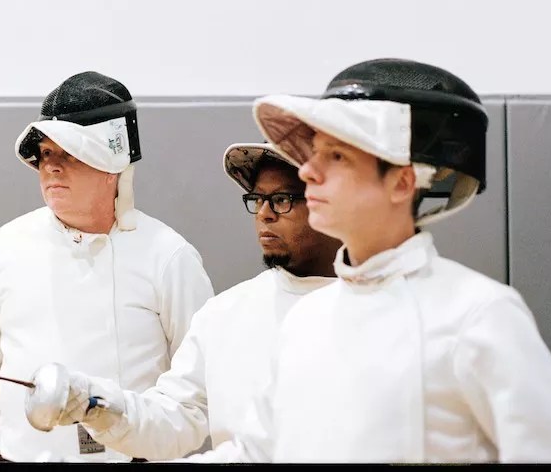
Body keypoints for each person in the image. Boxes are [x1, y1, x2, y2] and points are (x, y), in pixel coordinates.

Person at [245, 57, 551, 463]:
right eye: (314, 153)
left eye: (337, 156)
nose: (307, 171)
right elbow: (255, 452)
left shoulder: (478, 313)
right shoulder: (305, 319)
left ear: (401, 182)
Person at [0, 71, 215, 462]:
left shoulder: (169, 257)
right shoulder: (7, 245)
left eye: (69, 153)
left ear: (111, 163)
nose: (52, 167)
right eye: (46, 154)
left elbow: (195, 404)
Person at [24, 142, 342, 460]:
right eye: (257, 199)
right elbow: (176, 415)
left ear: (331, 200)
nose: (264, 213)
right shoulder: (225, 314)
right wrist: (97, 404)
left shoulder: (366, 313)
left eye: (282, 200)